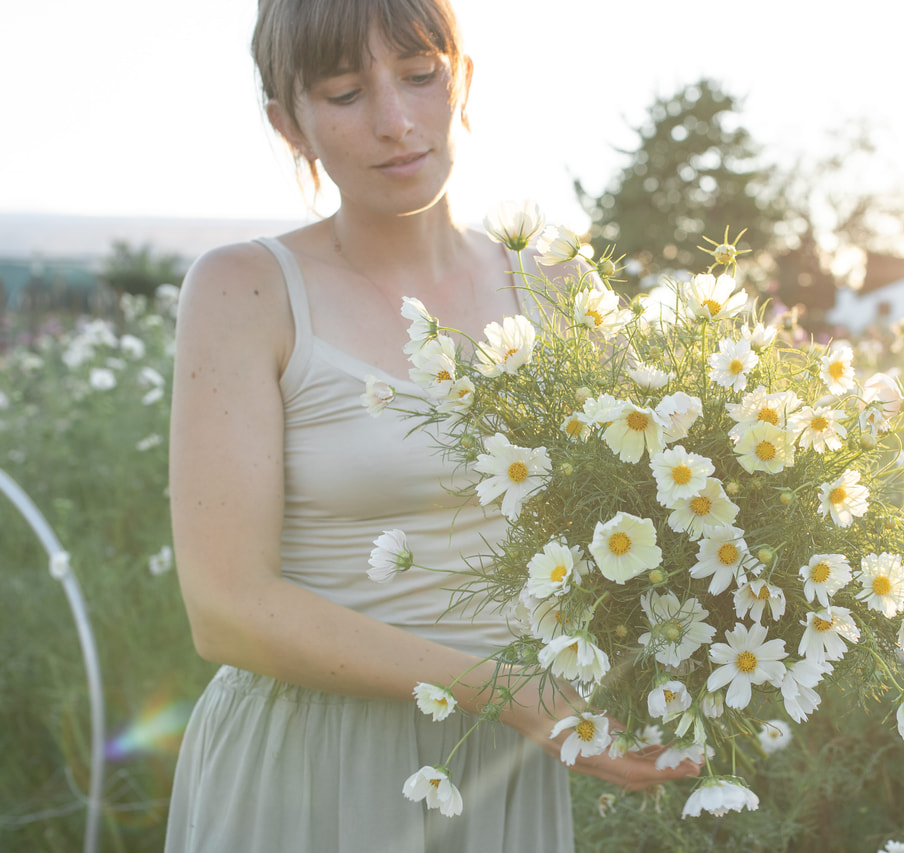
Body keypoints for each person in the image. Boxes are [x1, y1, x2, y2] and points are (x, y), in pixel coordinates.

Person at [164, 1, 699, 850]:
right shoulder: (244, 291)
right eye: (344, 93)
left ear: (464, 79)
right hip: (314, 763)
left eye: (420, 76)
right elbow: (226, 608)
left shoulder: (558, 282)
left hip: (496, 761)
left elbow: (638, 521)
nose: (396, 121)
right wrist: (510, 690)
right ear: (287, 124)